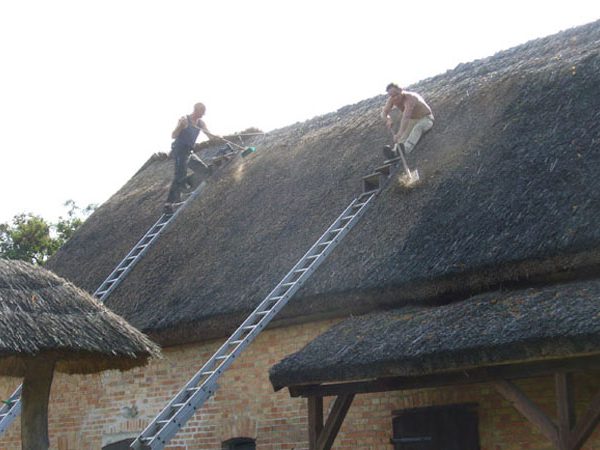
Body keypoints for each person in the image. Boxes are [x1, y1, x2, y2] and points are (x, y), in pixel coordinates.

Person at [164, 102, 221, 212]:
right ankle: (169, 202)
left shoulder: (201, 123)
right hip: (179, 149)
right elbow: (173, 135)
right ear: (196, 110)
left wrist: (216, 137)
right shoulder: (184, 119)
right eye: (202, 112)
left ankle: (188, 183)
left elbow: (208, 135)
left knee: (204, 171)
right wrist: (180, 126)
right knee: (180, 174)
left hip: (189, 151)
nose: (203, 115)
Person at [381, 83, 434, 159]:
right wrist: (387, 119)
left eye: (396, 94)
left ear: (401, 90)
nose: (395, 98)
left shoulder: (410, 98)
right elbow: (384, 113)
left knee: (417, 128)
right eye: (392, 96)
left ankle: (406, 149)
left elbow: (406, 116)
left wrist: (399, 134)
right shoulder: (391, 99)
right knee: (404, 134)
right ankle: (394, 151)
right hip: (412, 120)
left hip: (426, 118)